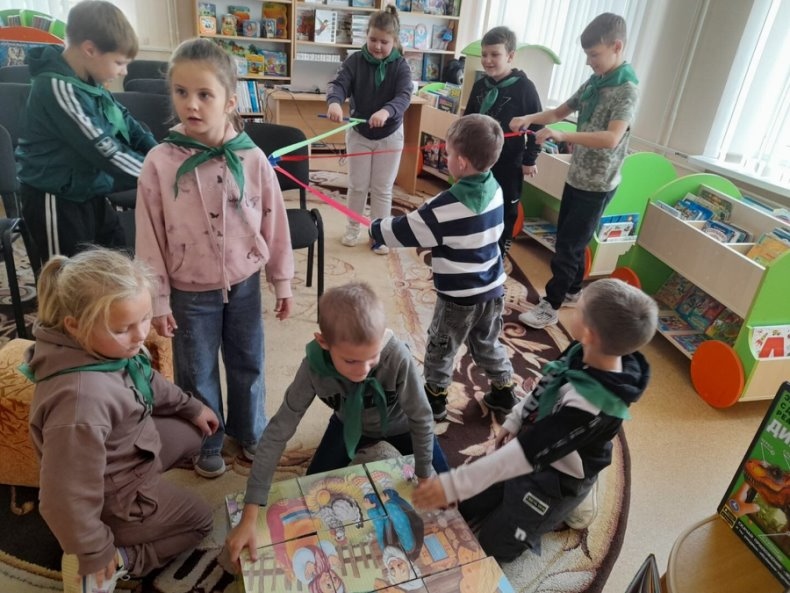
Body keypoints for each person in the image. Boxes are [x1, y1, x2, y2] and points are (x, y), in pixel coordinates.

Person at [134, 38, 294, 479]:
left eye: (205, 94)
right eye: (181, 92)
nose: (192, 104)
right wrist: (157, 300)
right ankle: (207, 439)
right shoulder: (159, 162)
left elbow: (273, 220)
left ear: (230, 101)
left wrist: (281, 280)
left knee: (249, 362)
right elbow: (148, 238)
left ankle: (251, 430)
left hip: (244, 282)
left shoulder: (252, 157)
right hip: (189, 290)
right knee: (196, 371)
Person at [411, 278, 658, 562]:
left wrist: (454, 484)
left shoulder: (593, 407)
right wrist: (516, 419)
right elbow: (549, 381)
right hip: (540, 440)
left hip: (558, 479)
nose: (571, 310)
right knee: (469, 504)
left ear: (590, 333)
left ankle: (572, 506)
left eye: (578, 308)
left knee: (497, 545)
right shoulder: (584, 349)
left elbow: (526, 453)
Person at [24, 248, 218, 593]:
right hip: (116, 495)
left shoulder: (101, 349)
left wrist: (191, 407)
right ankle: (119, 558)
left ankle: (136, 510)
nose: (141, 334)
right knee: (201, 520)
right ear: (75, 326)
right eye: (123, 328)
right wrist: (93, 550)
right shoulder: (81, 403)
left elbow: (146, 380)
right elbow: (63, 496)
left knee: (192, 431)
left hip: (126, 450)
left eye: (144, 318)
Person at [224, 282, 449, 568]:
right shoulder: (312, 367)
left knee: (450, 493)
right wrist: (250, 514)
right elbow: (278, 432)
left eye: (372, 357)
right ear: (323, 343)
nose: (363, 370)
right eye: (351, 360)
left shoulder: (396, 356)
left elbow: (422, 417)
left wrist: (425, 475)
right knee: (313, 493)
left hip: (401, 425)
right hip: (347, 425)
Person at [369, 114, 518, 421]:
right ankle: (504, 390)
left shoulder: (443, 207)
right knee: (487, 341)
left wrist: (374, 228)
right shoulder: (496, 188)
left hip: (458, 298)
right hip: (492, 290)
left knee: (441, 346)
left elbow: (404, 231)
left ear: (461, 162)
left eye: (448, 154)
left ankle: (434, 401)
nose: (446, 158)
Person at [510, 13, 639, 329]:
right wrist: (530, 118)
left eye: (594, 55)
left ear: (617, 47)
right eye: (587, 55)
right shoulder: (596, 81)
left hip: (598, 182)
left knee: (568, 245)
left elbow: (611, 138)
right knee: (572, 240)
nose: (589, 62)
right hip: (577, 175)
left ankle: (550, 305)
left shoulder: (626, 90)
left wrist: (562, 135)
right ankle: (572, 290)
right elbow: (558, 112)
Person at [16, 0, 157, 262]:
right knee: (67, 276)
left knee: (118, 261)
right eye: (119, 62)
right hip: (56, 199)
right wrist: (158, 171)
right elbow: (104, 149)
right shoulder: (57, 89)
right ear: (90, 49)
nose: (124, 71)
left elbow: (125, 121)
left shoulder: (89, 82)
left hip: (88, 189)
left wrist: (158, 152)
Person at [326, 5, 413, 255]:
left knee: (382, 188)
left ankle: (379, 234)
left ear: (394, 41)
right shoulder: (354, 60)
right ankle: (353, 227)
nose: (377, 46)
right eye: (373, 39)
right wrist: (334, 102)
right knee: (357, 185)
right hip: (359, 133)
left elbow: (404, 96)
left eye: (384, 42)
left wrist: (386, 112)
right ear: (366, 36)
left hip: (390, 135)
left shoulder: (401, 66)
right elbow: (338, 84)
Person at [464, 26, 543, 257]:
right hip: (477, 160)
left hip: (508, 162)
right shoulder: (480, 85)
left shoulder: (525, 88)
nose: (487, 60)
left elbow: (537, 126)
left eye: (495, 54)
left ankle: (499, 249)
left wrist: (529, 159)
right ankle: (472, 244)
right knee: (474, 202)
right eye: (484, 54)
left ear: (510, 56)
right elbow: (467, 120)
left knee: (504, 207)